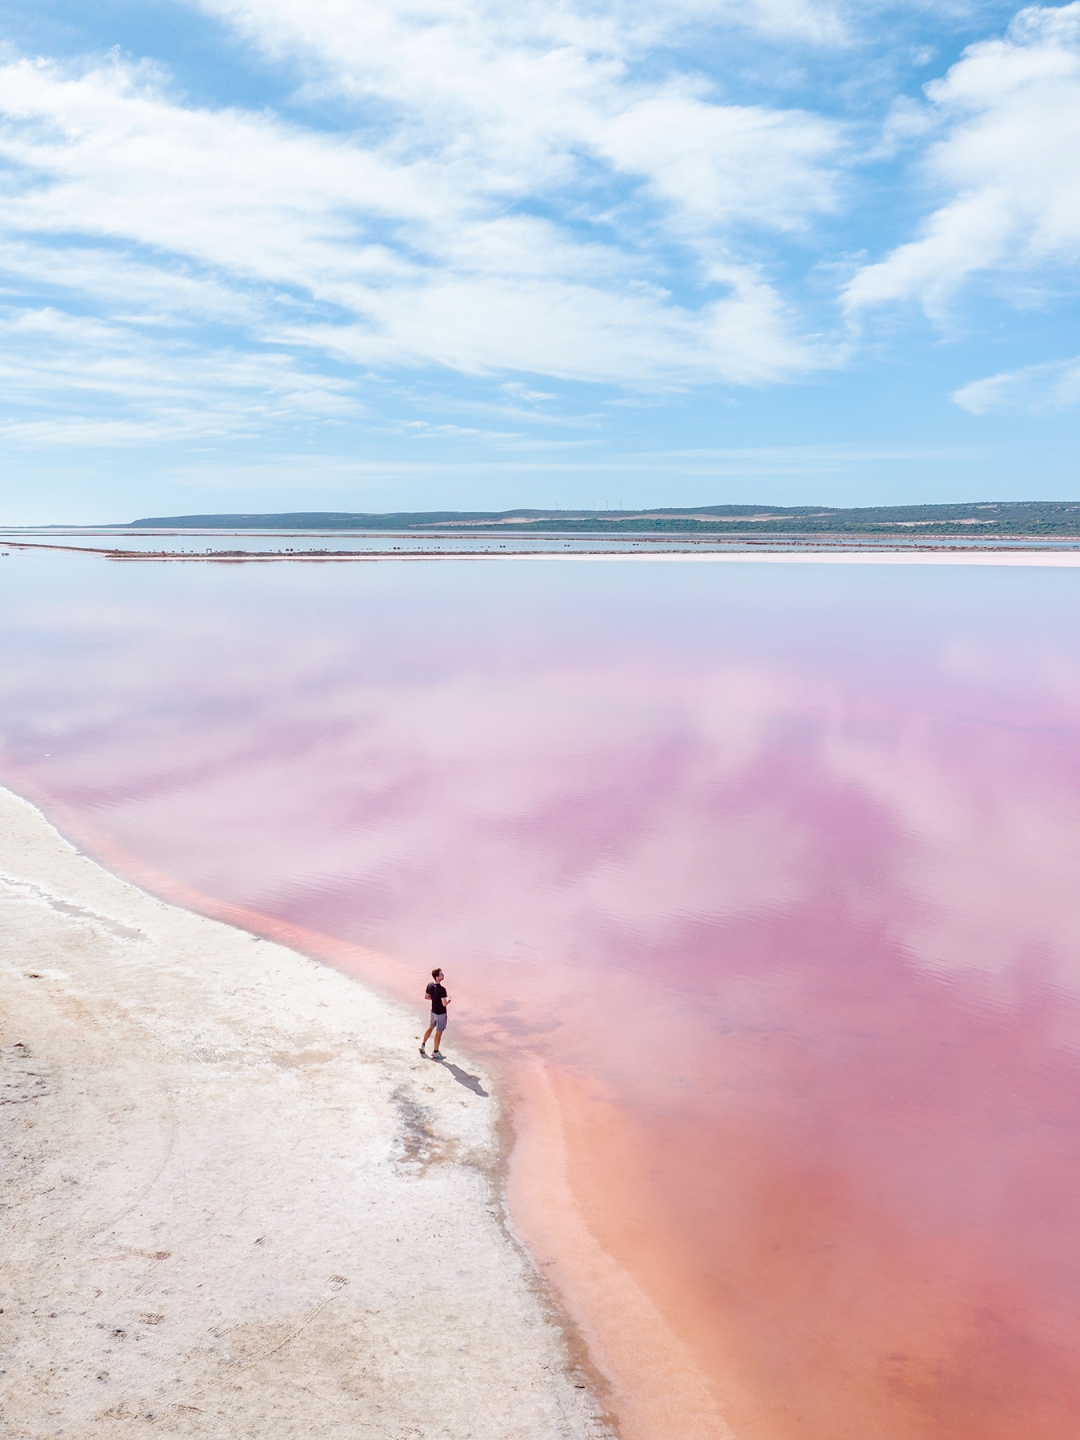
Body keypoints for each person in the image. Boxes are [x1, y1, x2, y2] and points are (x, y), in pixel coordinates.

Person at [420, 968, 449, 1058]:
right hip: (441, 1013)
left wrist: (435, 999)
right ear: (437, 977)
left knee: (430, 1027)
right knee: (438, 1033)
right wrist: (449, 1000)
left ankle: (422, 1045)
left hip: (433, 1011)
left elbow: (426, 997)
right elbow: (444, 1004)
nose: (443, 975)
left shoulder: (429, 985)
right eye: (441, 974)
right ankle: (435, 1051)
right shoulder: (442, 989)